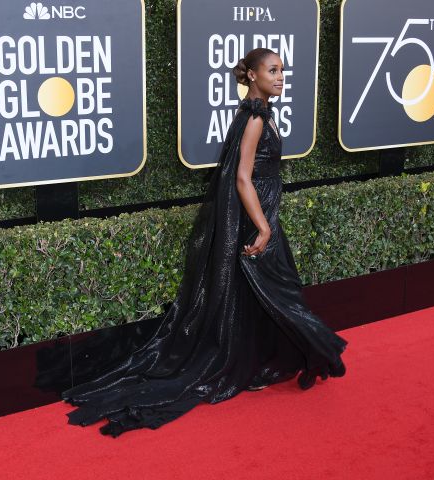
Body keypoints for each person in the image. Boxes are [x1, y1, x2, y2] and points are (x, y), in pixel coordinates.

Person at [61, 48, 348, 437]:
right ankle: (318, 354)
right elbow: (242, 179)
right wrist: (263, 228)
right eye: (273, 70)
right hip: (255, 221)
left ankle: (261, 362)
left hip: (258, 217)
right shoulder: (255, 118)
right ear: (251, 75)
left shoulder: (253, 112)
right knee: (284, 294)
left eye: (283, 70)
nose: (281, 77)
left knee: (259, 297)